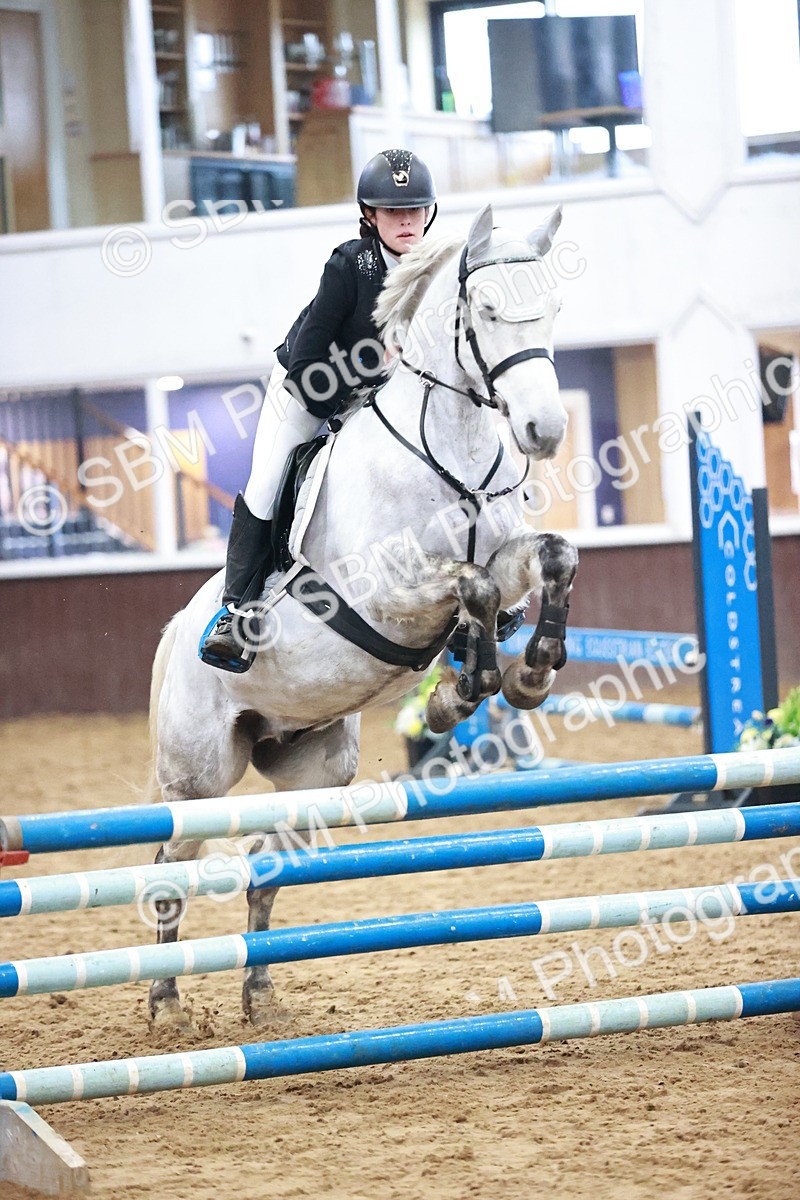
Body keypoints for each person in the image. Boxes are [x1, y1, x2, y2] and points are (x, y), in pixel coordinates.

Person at [200, 149, 437, 672]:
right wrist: (341, 408)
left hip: (375, 405)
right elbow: (309, 360)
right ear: (369, 216)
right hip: (307, 392)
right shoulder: (350, 264)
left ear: (429, 213)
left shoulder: (437, 271)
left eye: (415, 209)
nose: (405, 221)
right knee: (268, 481)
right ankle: (235, 612)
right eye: (391, 211)